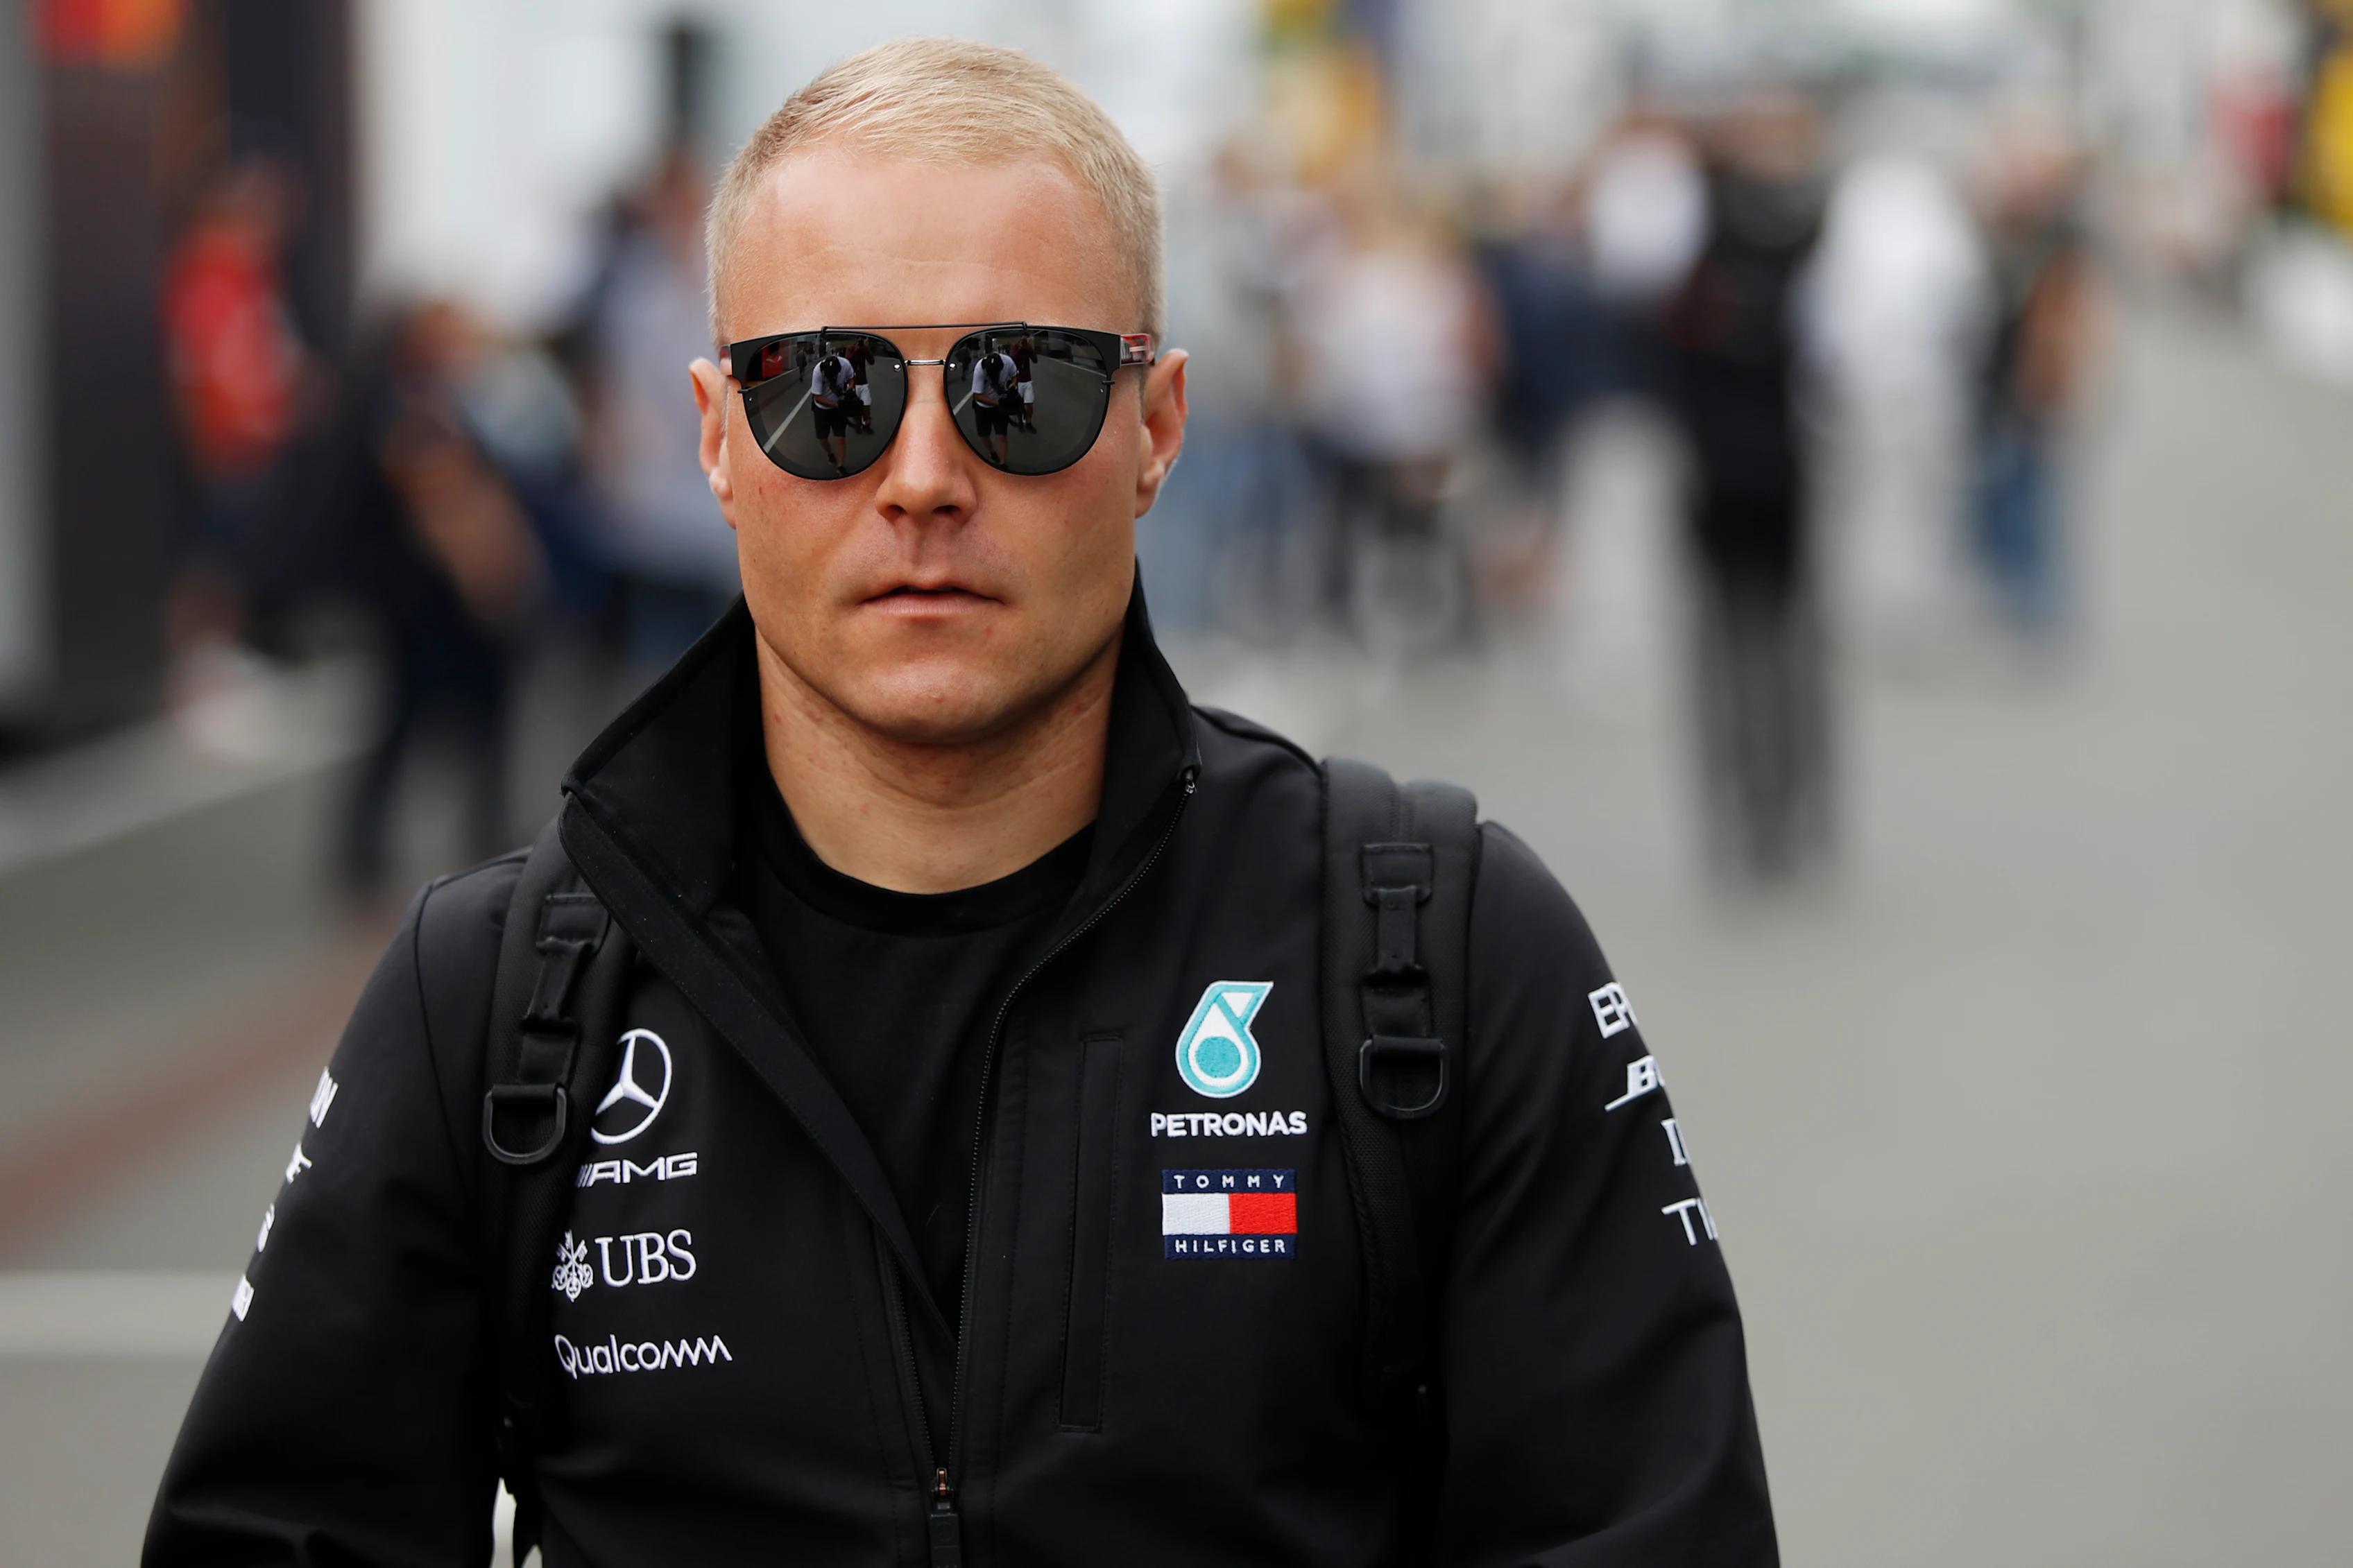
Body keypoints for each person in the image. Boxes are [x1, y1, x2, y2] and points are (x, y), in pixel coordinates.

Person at [145, 39, 1775, 1567]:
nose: (922, 473)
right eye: (826, 394)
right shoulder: (492, 1006)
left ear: (1156, 429)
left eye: (1022, 388)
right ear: (716, 441)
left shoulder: (1442, 948)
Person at [1663, 91, 1831, 883]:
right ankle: (1770, 804)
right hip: (1750, 473)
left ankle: (1770, 803)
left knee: (1756, 648)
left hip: (1748, 474)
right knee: (1763, 647)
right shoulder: (1803, 237)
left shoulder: (1706, 243)